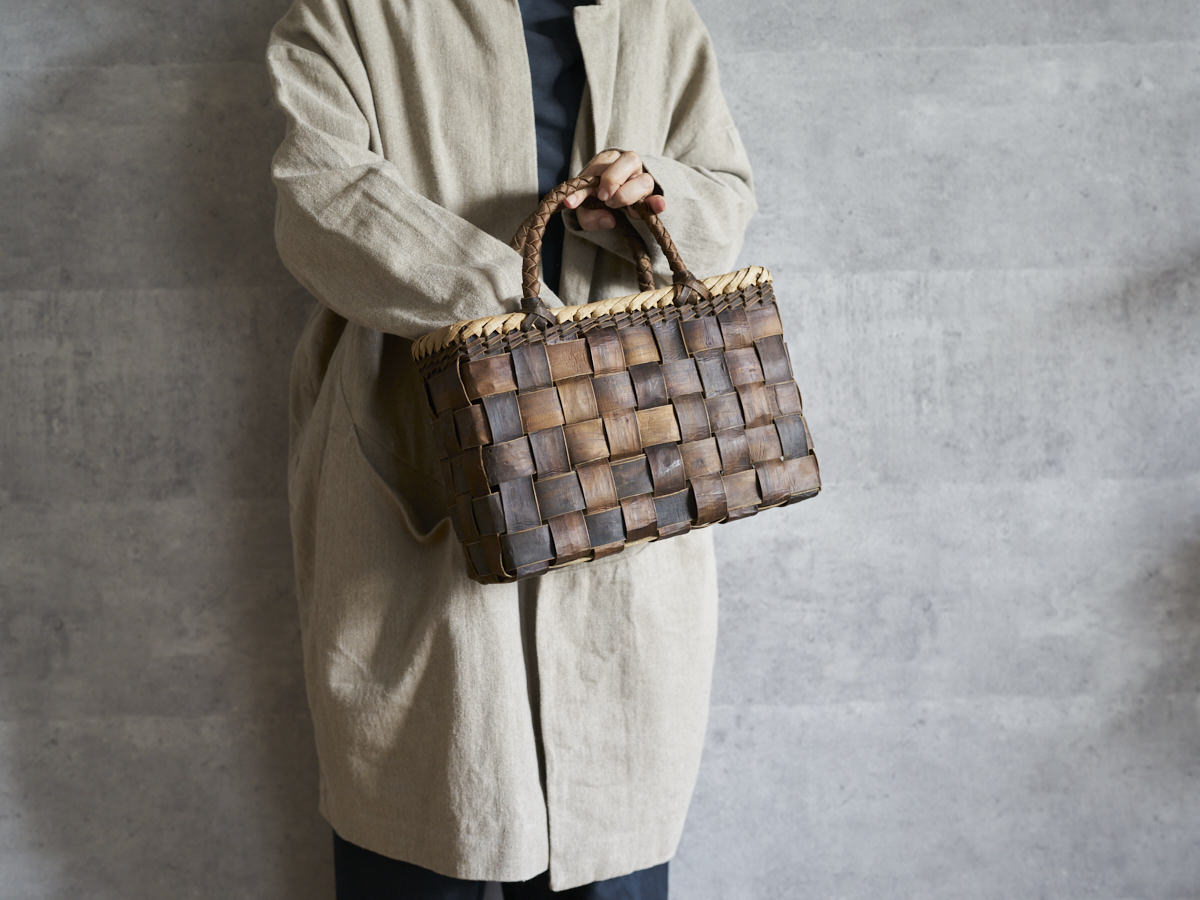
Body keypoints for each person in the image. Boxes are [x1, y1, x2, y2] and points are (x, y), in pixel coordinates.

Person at [264, 0, 757, 896]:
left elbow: (725, 191)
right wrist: (521, 307)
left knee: (608, 819)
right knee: (422, 817)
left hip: (627, 446)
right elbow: (318, 194)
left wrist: (653, 194)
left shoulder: (655, 17)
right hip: (416, 446)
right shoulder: (350, 13)